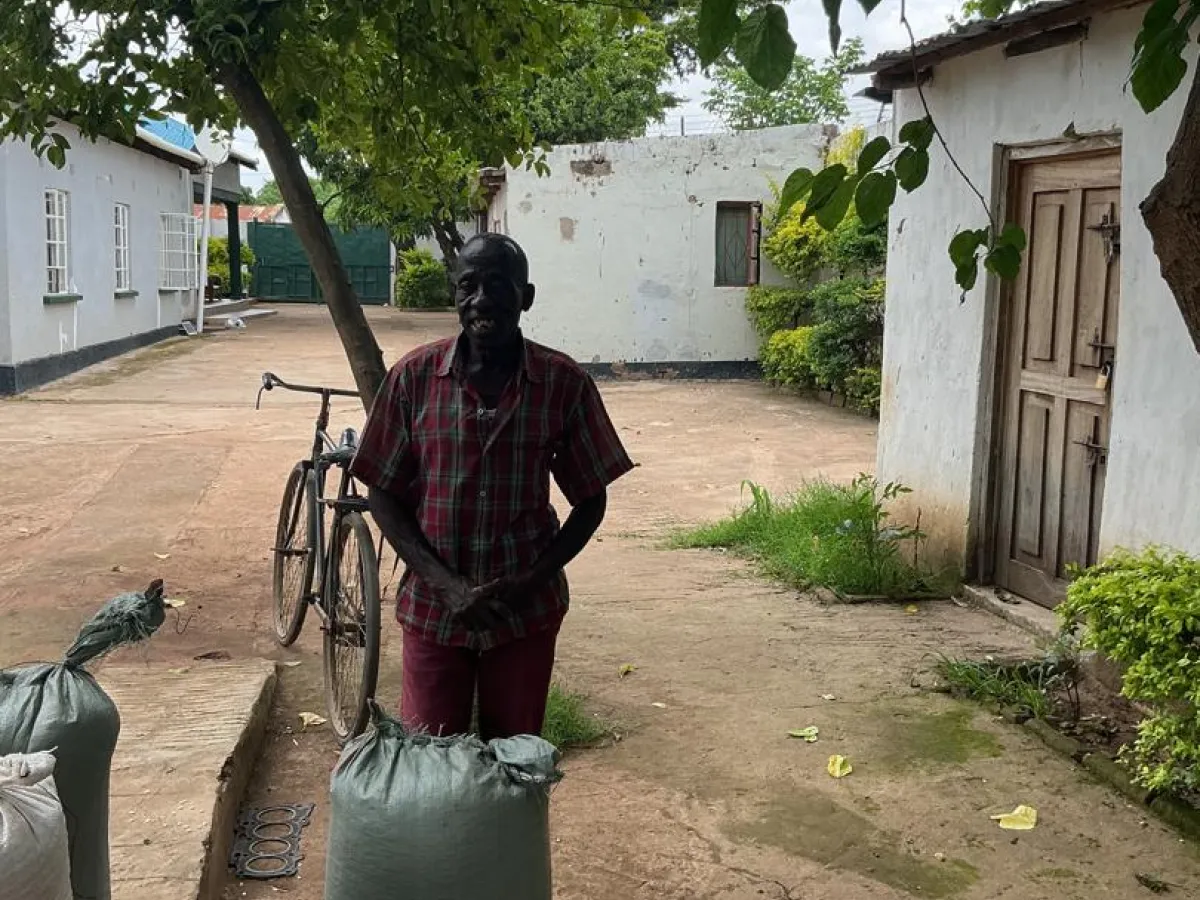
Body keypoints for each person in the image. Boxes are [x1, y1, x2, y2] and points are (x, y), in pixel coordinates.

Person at [351, 233, 634, 740]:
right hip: (434, 613)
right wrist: (446, 585)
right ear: (454, 294)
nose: (482, 300)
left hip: (525, 615)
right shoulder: (412, 378)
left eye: (499, 287)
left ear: (526, 296)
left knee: (515, 766)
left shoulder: (563, 383)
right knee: (430, 763)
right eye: (469, 286)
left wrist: (530, 580)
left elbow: (591, 498)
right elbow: (382, 492)